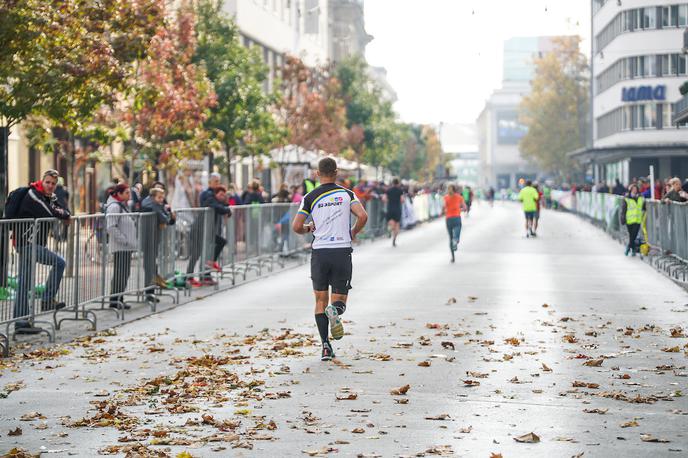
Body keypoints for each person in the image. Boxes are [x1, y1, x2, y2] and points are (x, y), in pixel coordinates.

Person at [292, 157, 368, 362]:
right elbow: (363, 216)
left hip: (320, 253)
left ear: (317, 174)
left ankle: (326, 346)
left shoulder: (309, 197)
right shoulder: (346, 194)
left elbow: (297, 227)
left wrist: (309, 228)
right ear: (336, 173)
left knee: (319, 301)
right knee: (339, 300)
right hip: (341, 251)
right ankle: (335, 311)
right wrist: (353, 232)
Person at [11, 170, 71, 334]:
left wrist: (63, 213)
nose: (50, 186)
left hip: (34, 244)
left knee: (24, 283)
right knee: (59, 262)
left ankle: (21, 323)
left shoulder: (49, 197)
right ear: (41, 181)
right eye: (48, 182)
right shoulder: (33, 194)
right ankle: (46, 300)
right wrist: (62, 214)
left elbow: (64, 210)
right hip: (27, 243)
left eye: (53, 184)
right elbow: (50, 212)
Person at [105, 183, 138, 310]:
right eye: (126, 193)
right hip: (120, 247)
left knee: (124, 273)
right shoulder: (114, 207)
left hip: (126, 246)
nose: (129, 195)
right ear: (118, 194)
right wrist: (123, 240)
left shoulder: (121, 205)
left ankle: (119, 298)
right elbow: (111, 226)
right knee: (120, 273)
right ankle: (114, 300)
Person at [141, 187, 176, 302]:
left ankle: (151, 291)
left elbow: (167, 218)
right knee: (150, 266)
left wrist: (167, 216)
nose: (162, 200)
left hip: (154, 239)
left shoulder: (156, 204)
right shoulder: (151, 205)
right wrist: (167, 216)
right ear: (152, 197)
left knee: (152, 265)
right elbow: (164, 218)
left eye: (162, 197)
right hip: (149, 239)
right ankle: (149, 292)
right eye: (159, 197)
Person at [443, 184, 468, 263]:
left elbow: (443, 208)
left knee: (450, 238)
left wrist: (446, 211)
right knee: (456, 234)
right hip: (456, 218)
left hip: (448, 219)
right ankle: (456, 240)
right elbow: (465, 207)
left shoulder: (445, 197)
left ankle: (453, 257)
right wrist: (460, 210)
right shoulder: (459, 197)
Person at [620, 184, 646, 256]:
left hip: (637, 220)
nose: (634, 190)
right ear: (630, 190)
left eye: (636, 189)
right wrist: (622, 218)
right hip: (629, 220)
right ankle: (633, 249)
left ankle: (628, 248)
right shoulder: (626, 198)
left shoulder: (641, 197)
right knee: (632, 235)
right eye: (633, 189)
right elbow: (623, 209)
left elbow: (644, 207)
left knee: (633, 235)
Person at [384, 178, 404, 247]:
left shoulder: (388, 190)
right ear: (398, 183)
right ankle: (394, 240)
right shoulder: (400, 190)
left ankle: (390, 229)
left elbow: (384, 199)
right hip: (397, 209)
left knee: (391, 223)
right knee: (397, 225)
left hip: (390, 208)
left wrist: (388, 201)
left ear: (392, 183)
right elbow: (402, 200)